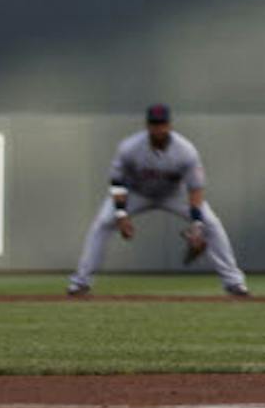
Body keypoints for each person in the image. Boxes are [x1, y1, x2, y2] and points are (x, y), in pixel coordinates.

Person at [67, 104, 248, 297]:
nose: (158, 128)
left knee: (211, 224)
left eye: (162, 124)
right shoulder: (130, 147)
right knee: (103, 223)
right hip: (136, 193)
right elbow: (117, 182)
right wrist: (121, 214)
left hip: (173, 195)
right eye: (154, 124)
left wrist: (196, 224)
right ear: (147, 126)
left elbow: (195, 189)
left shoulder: (186, 151)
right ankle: (81, 282)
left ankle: (234, 283)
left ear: (169, 125)